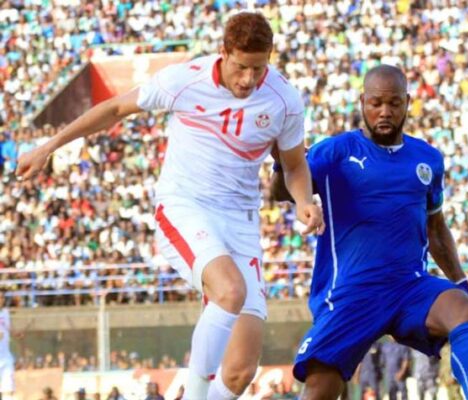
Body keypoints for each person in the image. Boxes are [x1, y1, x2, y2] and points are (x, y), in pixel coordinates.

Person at [16, 12, 324, 400]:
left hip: (241, 223)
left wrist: (303, 201)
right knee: (230, 290)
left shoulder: (284, 100)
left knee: (240, 371)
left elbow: (294, 165)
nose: (249, 79)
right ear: (224, 52)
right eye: (241, 67)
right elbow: (115, 109)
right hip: (185, 207)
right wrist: (48, 147)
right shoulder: (184, 80)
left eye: (258, 69)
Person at [271, 64, 468, 399]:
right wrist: (281, 159)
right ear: (363, 102)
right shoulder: (335, 152)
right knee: (321, 386)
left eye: (394, 103)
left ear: (407, 103)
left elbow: (436, 229)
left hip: (408, 287)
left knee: (463, 309)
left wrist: (465, 287)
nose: (385, 112)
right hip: (351, 292)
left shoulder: (428, 159)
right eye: (376, 103)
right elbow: (282, 190)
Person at [0, 292, 18, 400]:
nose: (1, 299)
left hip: (5, 356)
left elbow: (8, 327)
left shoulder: (5, 312)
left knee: (8, 390)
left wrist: (15, 333)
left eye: (2, 297)